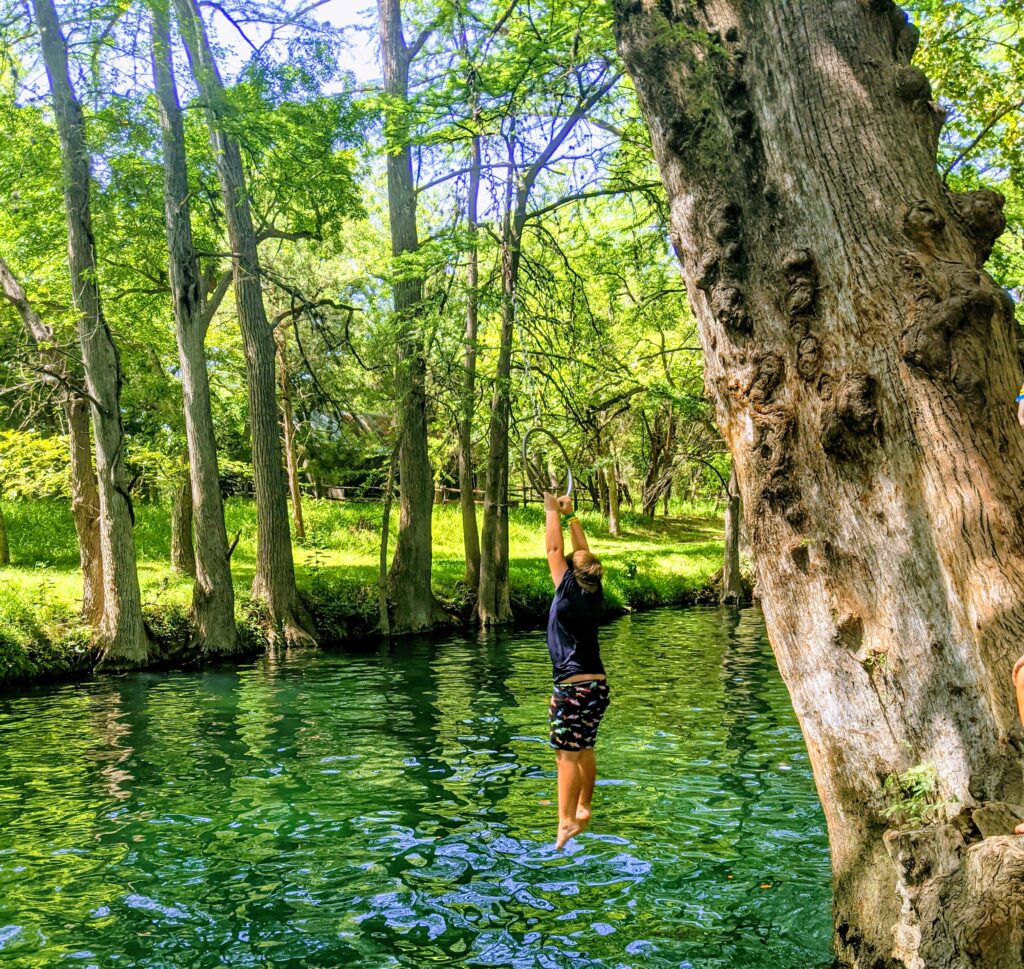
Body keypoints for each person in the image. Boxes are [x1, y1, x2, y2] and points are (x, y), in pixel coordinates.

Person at [542, 490, 609, 850]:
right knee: (583, 749)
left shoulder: (567, 588)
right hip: (597, 688)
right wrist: (572, 517)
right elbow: (583, 555)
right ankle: (582, 807)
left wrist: (552, 510)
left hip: (572, 688)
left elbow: (555, 552)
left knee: (566, 755)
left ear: (570, 571)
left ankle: (566, 821)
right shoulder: (594, 589)